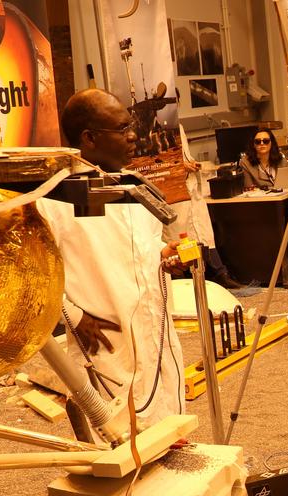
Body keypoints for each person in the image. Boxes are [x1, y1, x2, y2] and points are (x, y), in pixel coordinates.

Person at [36, 88, 186, 425]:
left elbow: (141, 254)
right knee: (119, 434)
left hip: (153, 327)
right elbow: (38, 275)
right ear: (89, 138)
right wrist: (74, 318)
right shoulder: (56, 198)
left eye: (131, 125)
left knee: (168, 424)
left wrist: (166, 257)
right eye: (122, 129)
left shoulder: (133, 187)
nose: (134, 136)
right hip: (106, 337)